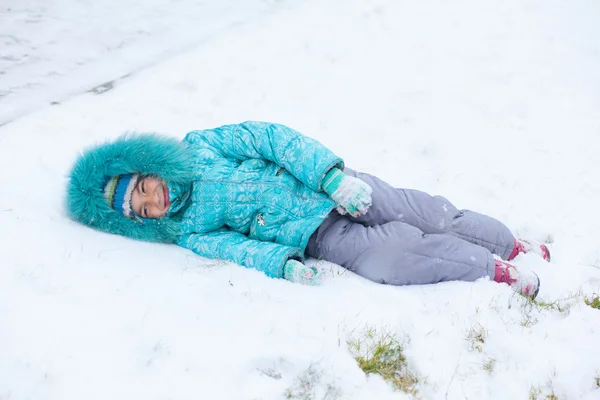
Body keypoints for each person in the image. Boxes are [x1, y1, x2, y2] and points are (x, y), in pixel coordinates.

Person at [66, 121, 550, 298]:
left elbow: (273, 139)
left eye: (146, 187)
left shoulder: (203, 147)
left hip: (334, 188)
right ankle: (493, 268)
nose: (155, 201)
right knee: (394, 256)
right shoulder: (187, 229)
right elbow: (235, 248)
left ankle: (508, 242)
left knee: (426, 214)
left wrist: (330, 177)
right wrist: (282, 264)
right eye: (144, 210)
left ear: (150, 166)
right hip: (317, 236)